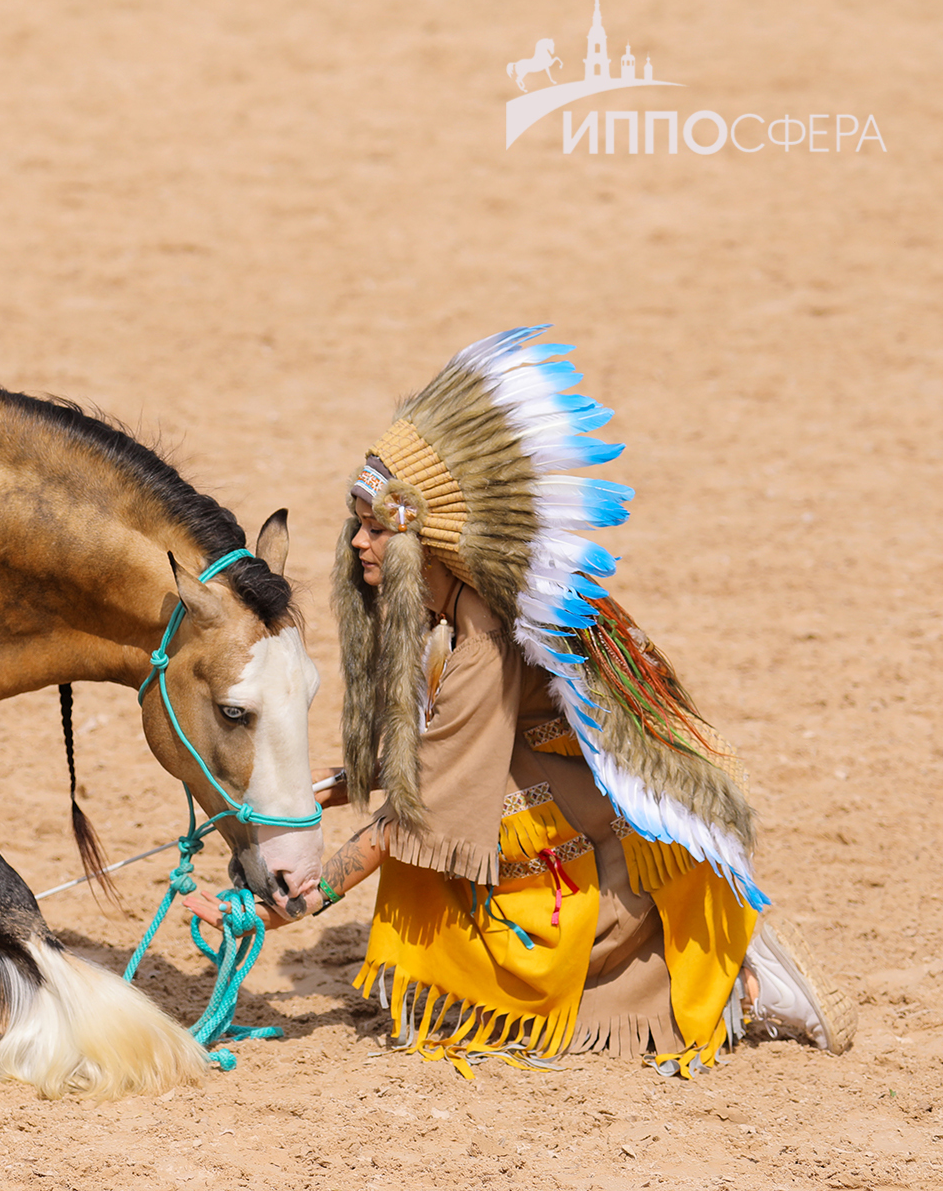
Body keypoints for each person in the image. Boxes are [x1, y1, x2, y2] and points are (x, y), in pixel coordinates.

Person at [189, 327, 853, 1077]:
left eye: (378, 528)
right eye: (359, 524)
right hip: (557, 792)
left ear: (428, 538)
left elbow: (425, 802)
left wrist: (306, 898)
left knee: (425, 857)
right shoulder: (455, 611)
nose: (359, 545)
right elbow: (433, 749)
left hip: (587, 825)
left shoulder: (484, 635)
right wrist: (343, 783)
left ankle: (727, 980)